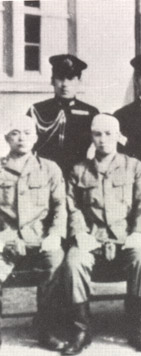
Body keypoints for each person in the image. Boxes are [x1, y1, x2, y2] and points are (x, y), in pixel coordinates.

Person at [60, 114, 141, 354]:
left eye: (108, 133)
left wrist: (138, 232)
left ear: (118, 135)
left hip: (125, 236)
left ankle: (138, 327)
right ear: (91, 137)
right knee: (73, 263)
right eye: (97, 134)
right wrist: (80, 233)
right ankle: (81, 329)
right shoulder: (79, 170)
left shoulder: (134, 166)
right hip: (92, 237)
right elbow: (71, 206)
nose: (103, 139)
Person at [0, 116, 66, 350]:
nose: (22, 138)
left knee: (55, 260)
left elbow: (60, 208)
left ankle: (47, 328)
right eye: (15, 133)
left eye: (28, 133)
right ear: (7, 138)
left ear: (36, 137)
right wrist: (4, 238)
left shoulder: (49, 169)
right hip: (5, 241)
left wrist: (55, 235)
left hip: (39, 240)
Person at [27, 54, 99, 175]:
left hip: (78, 175)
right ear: (52, 81)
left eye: (70, 78)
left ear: (79, 81)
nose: (65, 84)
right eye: (60, 78)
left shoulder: (91, 112)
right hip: (44, 174)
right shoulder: (37, 110)